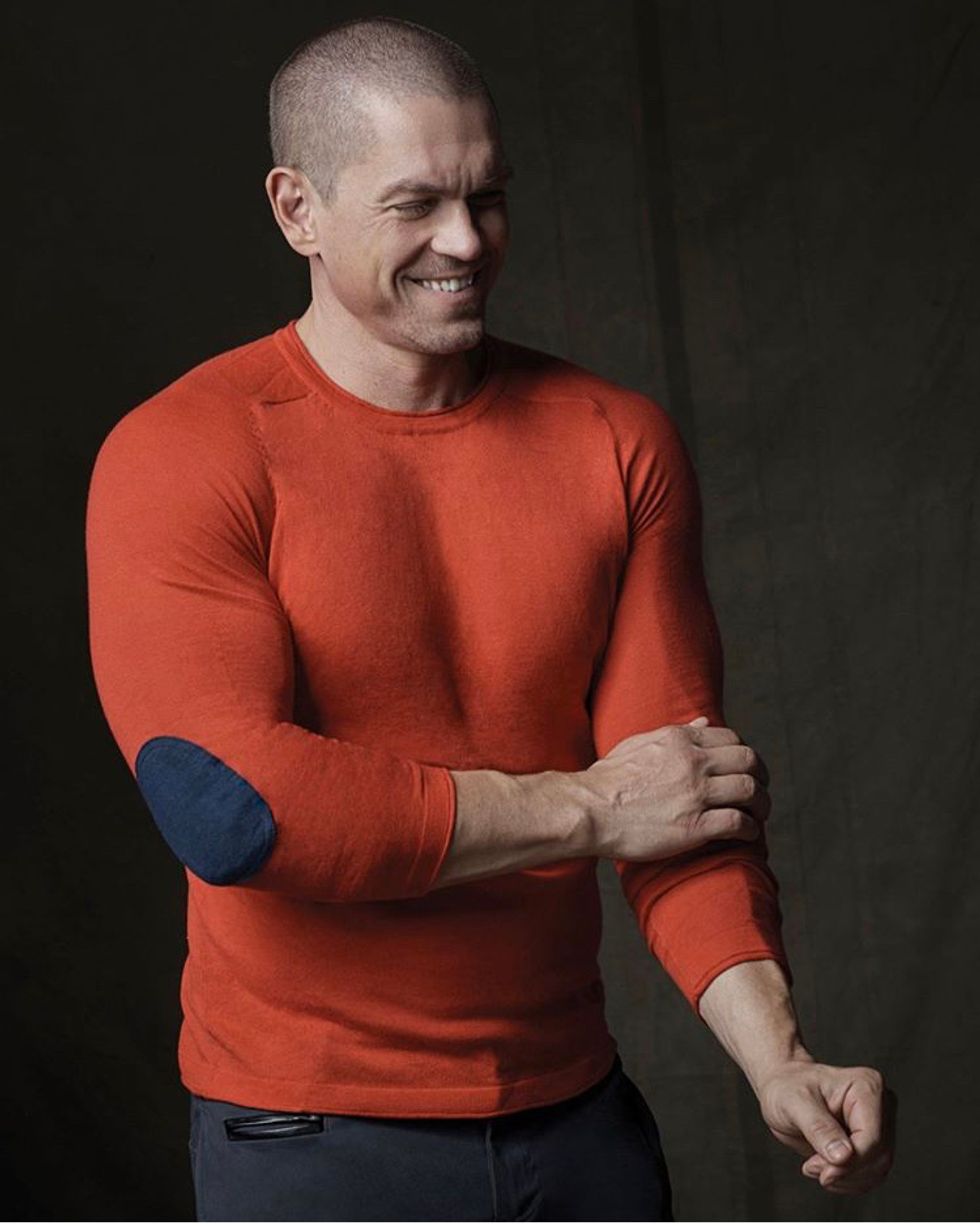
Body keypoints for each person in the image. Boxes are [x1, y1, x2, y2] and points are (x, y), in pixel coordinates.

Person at [84, 15, 896, 1222]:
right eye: (414, 205)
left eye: (487, 196)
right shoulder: (183, 453)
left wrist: (776, 1057)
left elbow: (680, 798)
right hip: (310, 1136)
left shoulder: (614, 440)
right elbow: (235, 810)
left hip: (576, 1120)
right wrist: (591, 806)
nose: (465, 241)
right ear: (298, 210)